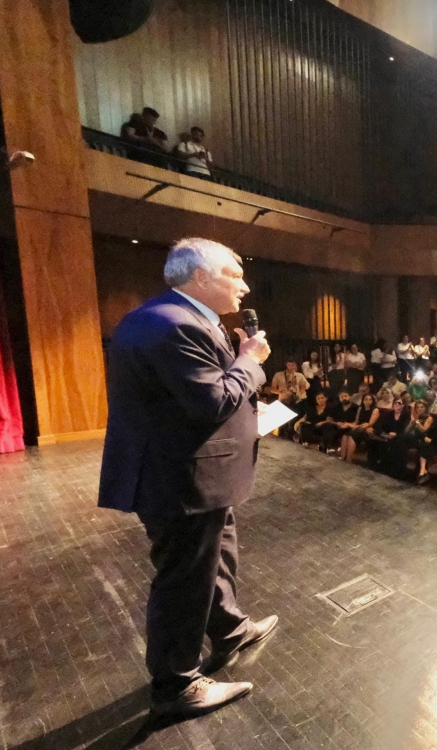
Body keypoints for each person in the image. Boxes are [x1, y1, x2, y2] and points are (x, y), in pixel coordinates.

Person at [98, 237, 277, 718]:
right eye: (235, 275)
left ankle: (230, 629)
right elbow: (213, 401)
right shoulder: (175, 325)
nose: (244, 285)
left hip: (193, 472)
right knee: (185, 581)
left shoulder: (169, 317)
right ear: (201, 277)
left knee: (216, 558)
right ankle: (176, 685)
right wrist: (250, 361)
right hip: (179, 479)